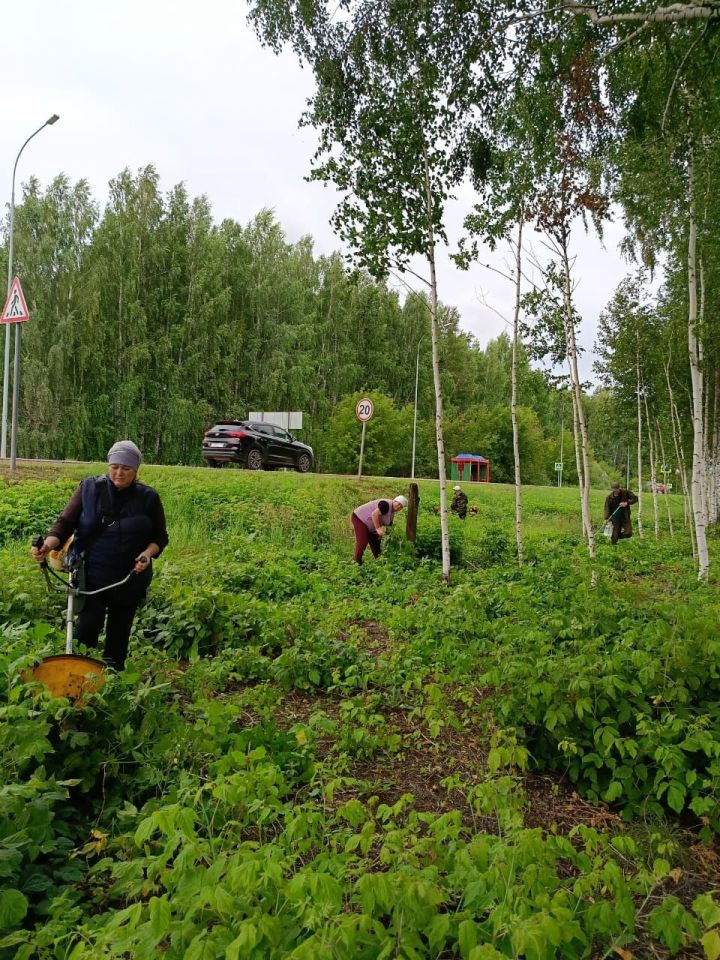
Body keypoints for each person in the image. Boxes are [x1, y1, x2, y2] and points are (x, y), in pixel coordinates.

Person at [30, 441, 168, 670]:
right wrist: (47, 545)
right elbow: (64, 524)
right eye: (114, 466)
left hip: (129, 577)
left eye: (126, 468)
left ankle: (113, 681)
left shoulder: (148, 498)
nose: (119, 473)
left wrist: (147, 554)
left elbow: (160, 537)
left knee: (119, 636)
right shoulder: (89, 488)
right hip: (92, 576)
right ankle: (79, 678)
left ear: (136, 470)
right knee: (86, 631)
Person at [351, 495, 407, 563]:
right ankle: (356, 562)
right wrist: (378, 528)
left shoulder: (391, 513)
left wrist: (391, 537)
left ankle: (380, 562)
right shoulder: (385, 505)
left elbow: (389, 527)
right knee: (363, 542)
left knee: (376, 543)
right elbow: (375, 514)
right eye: (399, 504)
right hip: (360, 519)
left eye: (401, 507)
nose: (398, 507)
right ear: (395, 501)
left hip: (370, 525)